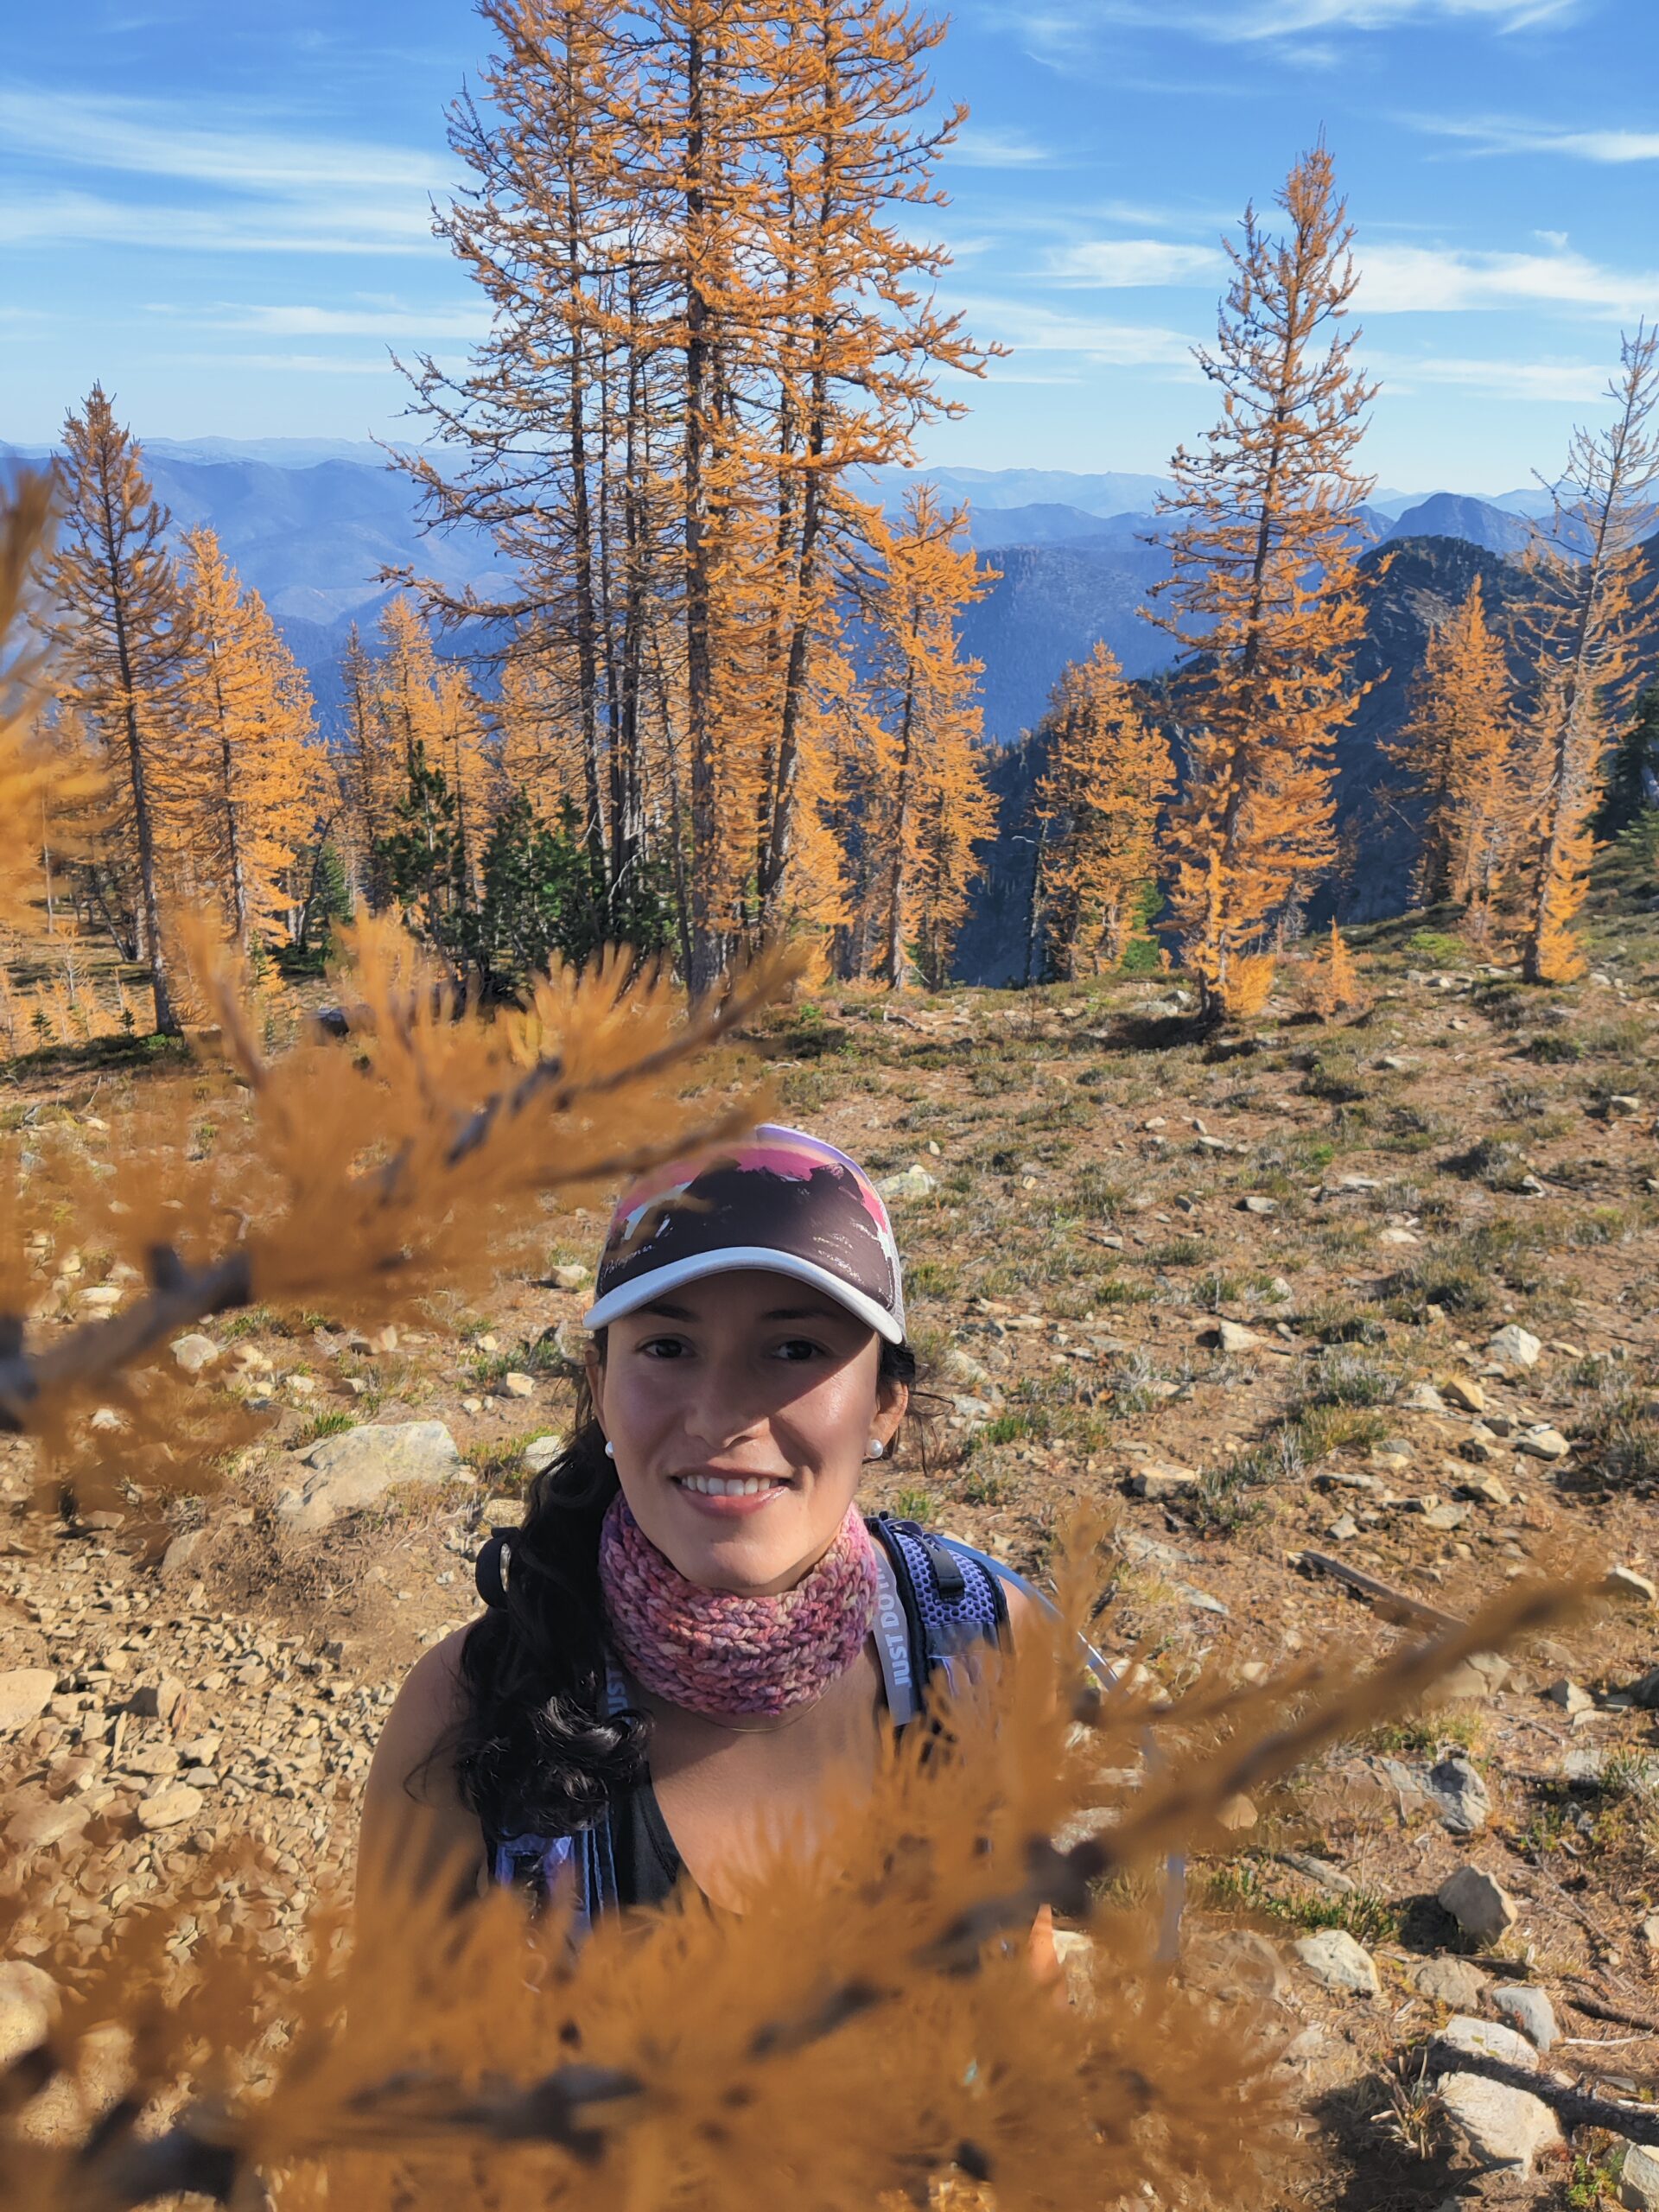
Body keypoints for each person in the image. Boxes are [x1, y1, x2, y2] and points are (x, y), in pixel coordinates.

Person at [359, 1124, 1058, 1971]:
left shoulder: (986, 1642)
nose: (721, 1416)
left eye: (794, 1348)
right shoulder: (469, 1707)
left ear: (885, 1403)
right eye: (667, 1347)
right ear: (601, 1389)